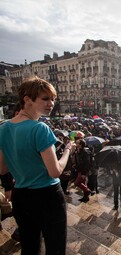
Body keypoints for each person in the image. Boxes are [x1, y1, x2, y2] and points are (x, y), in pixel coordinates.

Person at [0, 77, 76, 255]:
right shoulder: (39, 128)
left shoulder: (3, 128)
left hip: (21, 196)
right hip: (48, 196)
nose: (51, 103)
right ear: (27, 99)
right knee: (55, 248)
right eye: (45, 98)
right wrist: (67, 151)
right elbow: (55, 171)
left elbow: (2, 169)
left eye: (53, 99)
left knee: (29, 247)